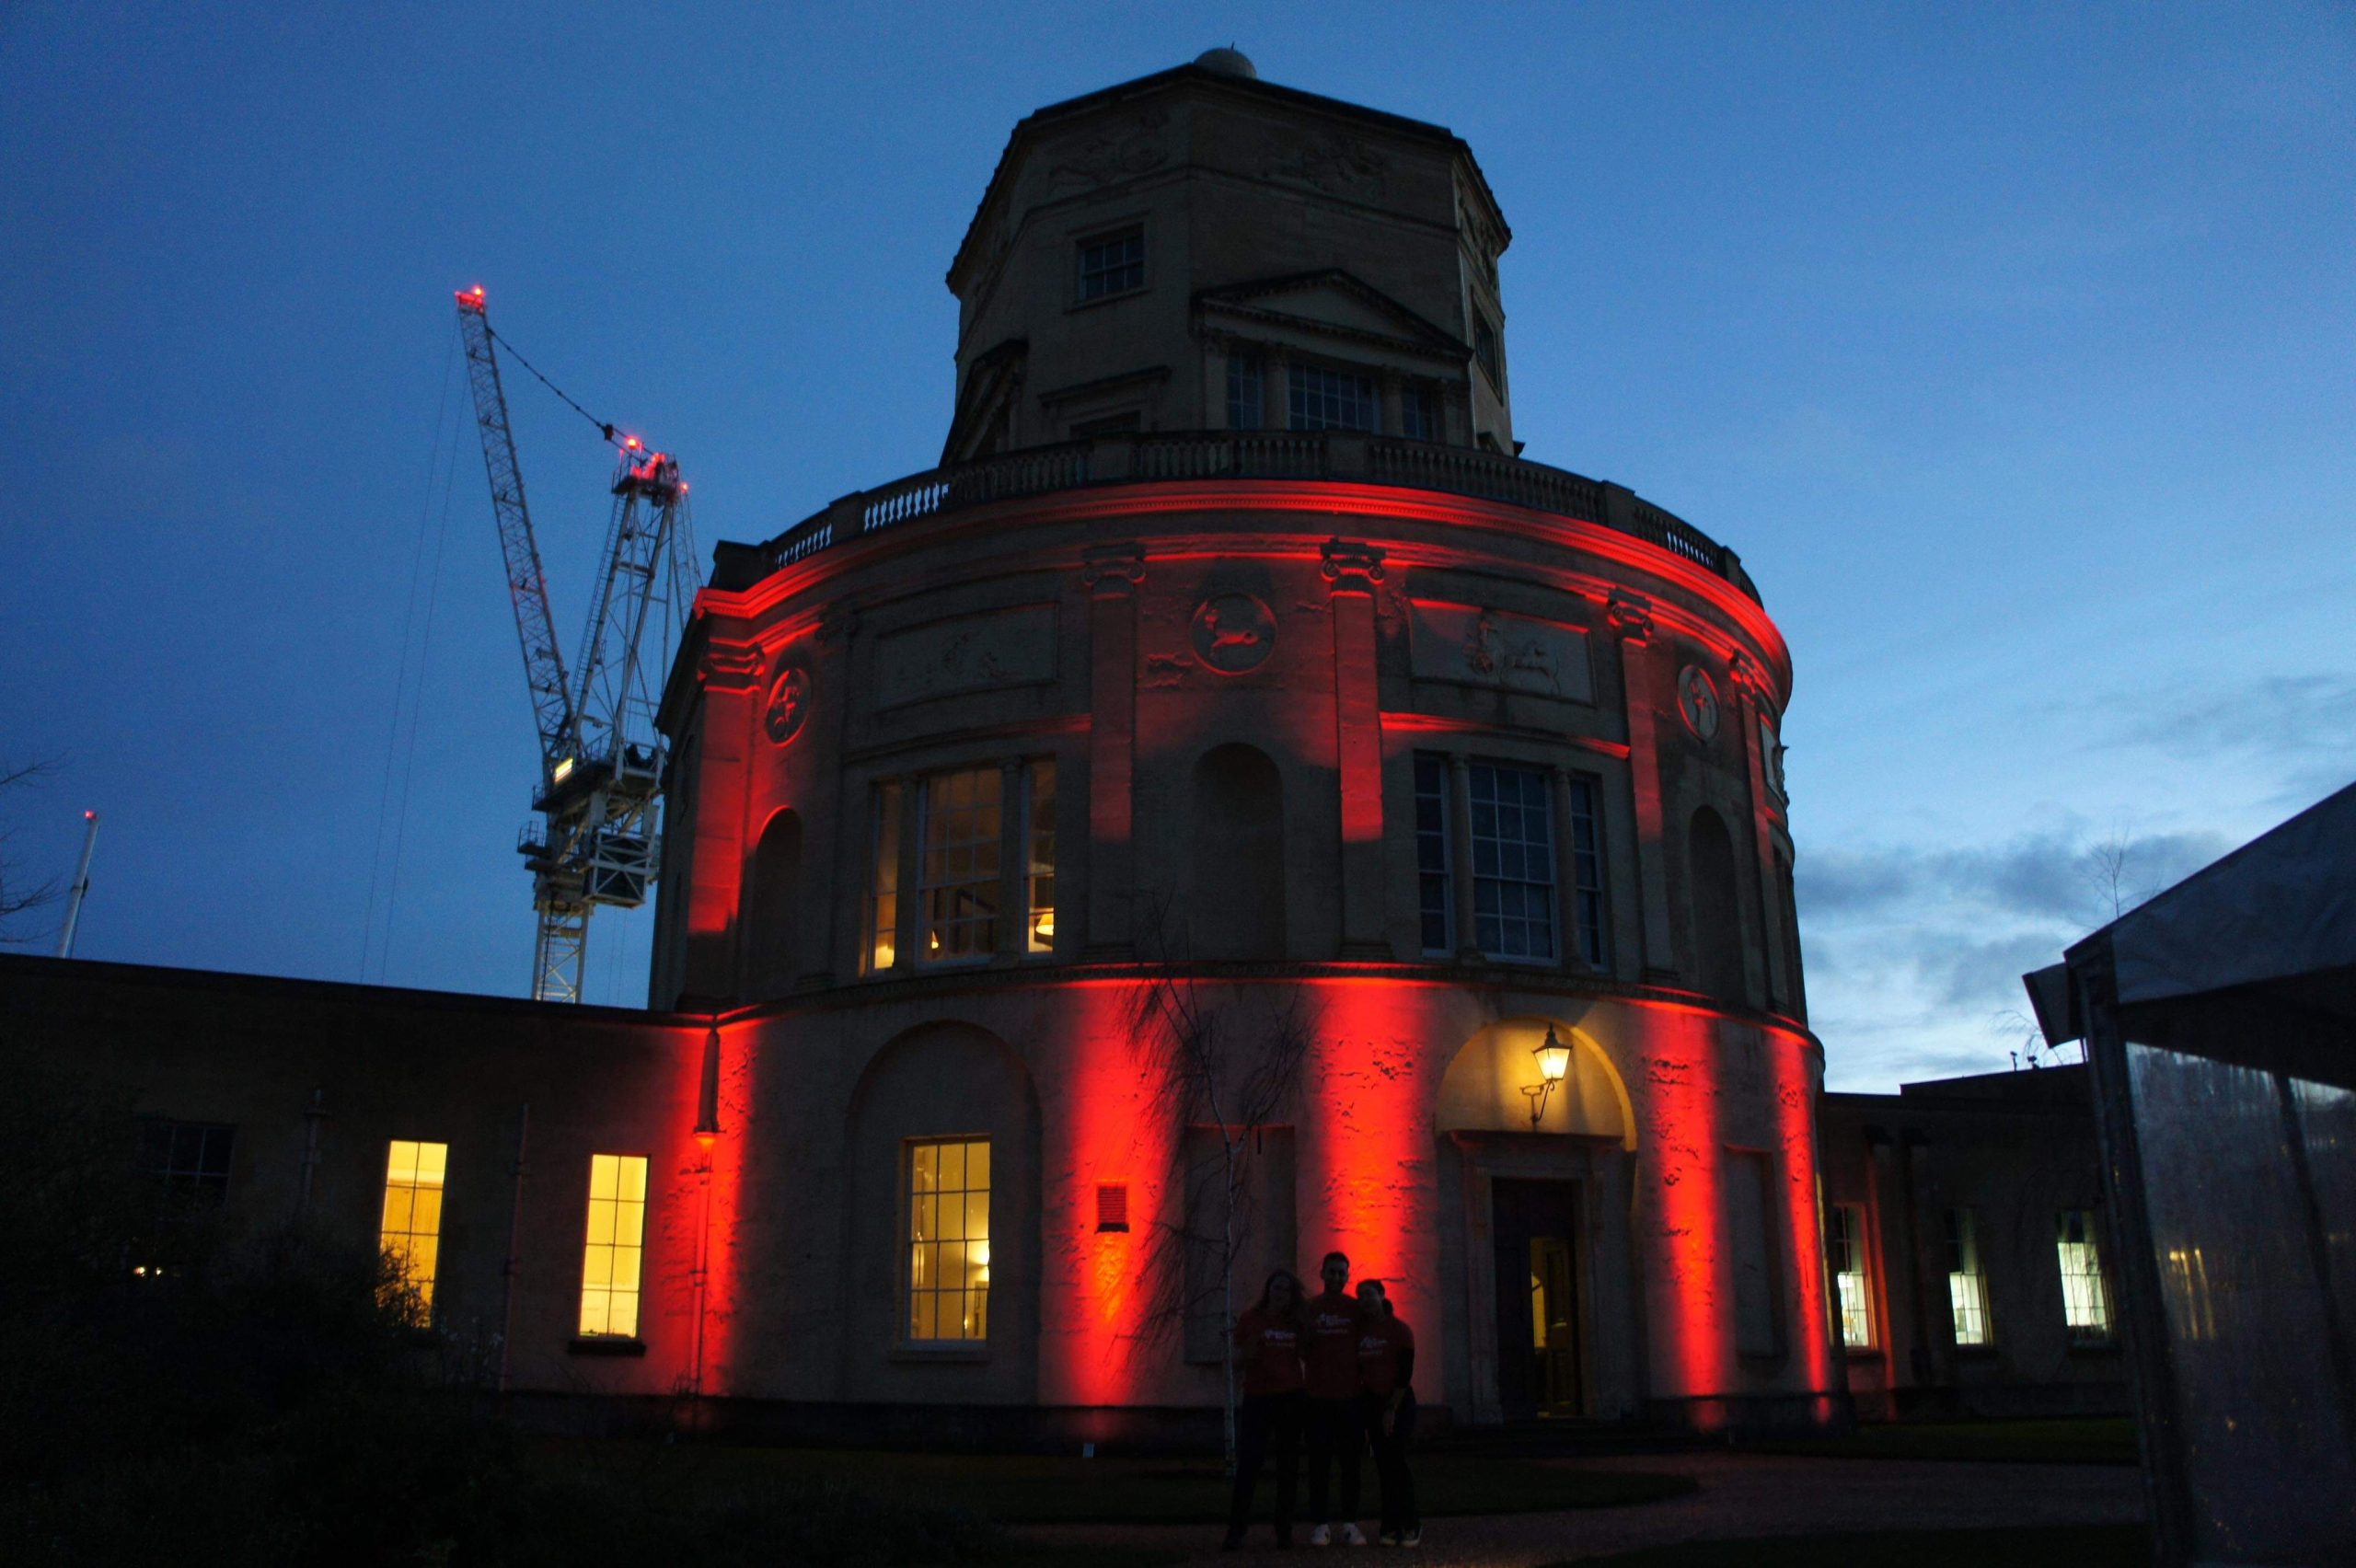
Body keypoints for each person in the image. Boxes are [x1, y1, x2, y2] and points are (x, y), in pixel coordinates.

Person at [1223, 1269, 1308, 1551]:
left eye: (1285, 1289)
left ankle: (1284, 1530)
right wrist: (1252, 1348)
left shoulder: (1295, 1324)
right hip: (1258, 1398)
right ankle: (1237, 1530)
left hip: (1290, 1398)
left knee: (1288, 1467)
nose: (1279, 1293)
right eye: (1275, 1288)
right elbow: (1237, 1360)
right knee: (1250, 1464)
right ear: (1267, 1290)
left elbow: (1308, 1354)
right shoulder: (1251, 1319)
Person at [1299, 1251, 1368, 1547]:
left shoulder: (1356, 1310)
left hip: (1351, 1398)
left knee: (1351, 1463)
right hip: (1318, 1398)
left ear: (1347, 1276)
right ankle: (1320, 1524)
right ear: (1322, 1274)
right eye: (1332, 1272)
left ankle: (1350, 1522)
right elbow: (1302, 1348)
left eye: (1342, 1272)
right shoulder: (1311, 1309)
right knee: (1319, 1463)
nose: (1337, 1277)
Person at [1356, 1279, 1420, 1548]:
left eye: (1370, 1294)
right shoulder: (1360, 1332)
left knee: (1397, 1462)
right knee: (1383, 1465)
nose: (1365, 1300)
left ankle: (1410, 1522)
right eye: (1361, 1296)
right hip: (1372, 1403)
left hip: (1399, 1403)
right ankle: (1390, 1524)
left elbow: (1404, 1374)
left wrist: (1391, 1409)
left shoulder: (1400, 1330)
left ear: (1382, 1295)